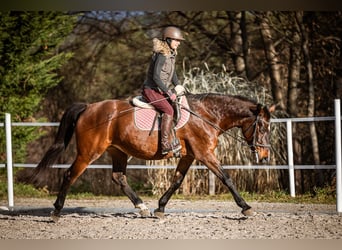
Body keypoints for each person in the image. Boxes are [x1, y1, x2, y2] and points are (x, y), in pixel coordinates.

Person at [142, 26, 184, 155]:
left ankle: (173, 139)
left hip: (159, 90)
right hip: (151, 90)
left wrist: (178, 86)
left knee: (176, 107)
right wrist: (168, 92)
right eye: (176, 40)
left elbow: (173, 74)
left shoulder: (171, 54)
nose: (179, 42)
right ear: (168, 40)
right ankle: (165, 144)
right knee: (169, 110)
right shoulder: (162, 55)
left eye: (179, 40)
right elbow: (156, 77)